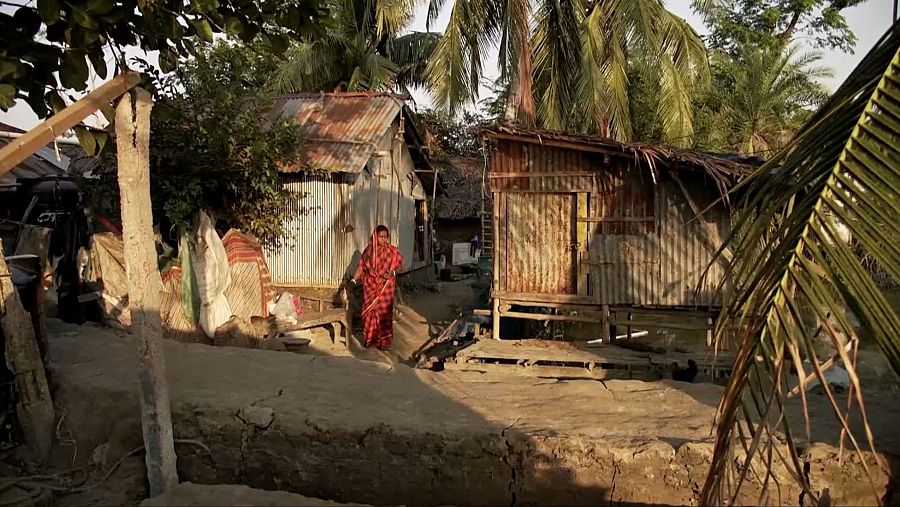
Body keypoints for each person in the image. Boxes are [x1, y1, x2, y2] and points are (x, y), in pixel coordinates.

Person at [350, 225, 404, 350]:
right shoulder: (368, 252)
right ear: (375, 236)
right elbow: (361, 268)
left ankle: (384, 342)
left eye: (386, 237)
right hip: (370, 287)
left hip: (386, 288)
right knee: (368, 313)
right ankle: (370, 339)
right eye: (381, 237)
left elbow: (400, 265)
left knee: (384, 315)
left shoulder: (392, 251)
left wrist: (393, 273)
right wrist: (353, 281)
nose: (383, 240)